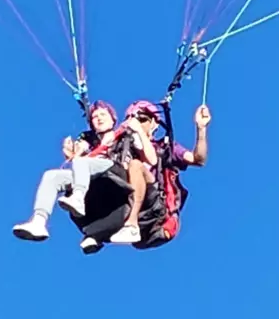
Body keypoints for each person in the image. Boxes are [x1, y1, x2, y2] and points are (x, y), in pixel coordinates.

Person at [77, 100, 212, 253]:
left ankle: (132, 224)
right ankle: (97, 233)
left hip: (155, 210)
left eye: (142, 119)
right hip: (126, 205)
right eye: (130, 119)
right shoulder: (122, 146)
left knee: (135, 165)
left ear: (154, 124)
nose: (136, 123)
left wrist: (201, 128)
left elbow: (198, 159)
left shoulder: (163, 147)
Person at [12, 102, 120, 241]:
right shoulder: (90, 140)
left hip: (112, 167)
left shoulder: (122, 135)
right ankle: (39, 221)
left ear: (112, 119)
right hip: (90, 173)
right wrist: (72, 151)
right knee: (52, 176)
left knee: (81, 161)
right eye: (95, 117)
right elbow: (79, 151)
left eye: (103, 114)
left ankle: (78, 197)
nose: (99, 118)